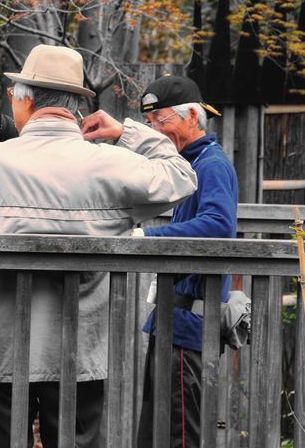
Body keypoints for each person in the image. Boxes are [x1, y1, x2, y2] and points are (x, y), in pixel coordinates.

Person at [0, 45, 198, 447]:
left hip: (1, 348)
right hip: (80, 350)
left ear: (27, 100)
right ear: (76, 106)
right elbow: (182, 176)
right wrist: (126, 132)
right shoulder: (107, 163)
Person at [83, 75, 237, 447]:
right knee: (156, 432)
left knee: (178, 434)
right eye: (150, 123)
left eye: (161, 120)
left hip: (190, 323)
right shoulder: (186, 164)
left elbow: (219, 225)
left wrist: (145, 237)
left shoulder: (211, 164)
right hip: (173, 319)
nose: (155, 129)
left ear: (192, 118)